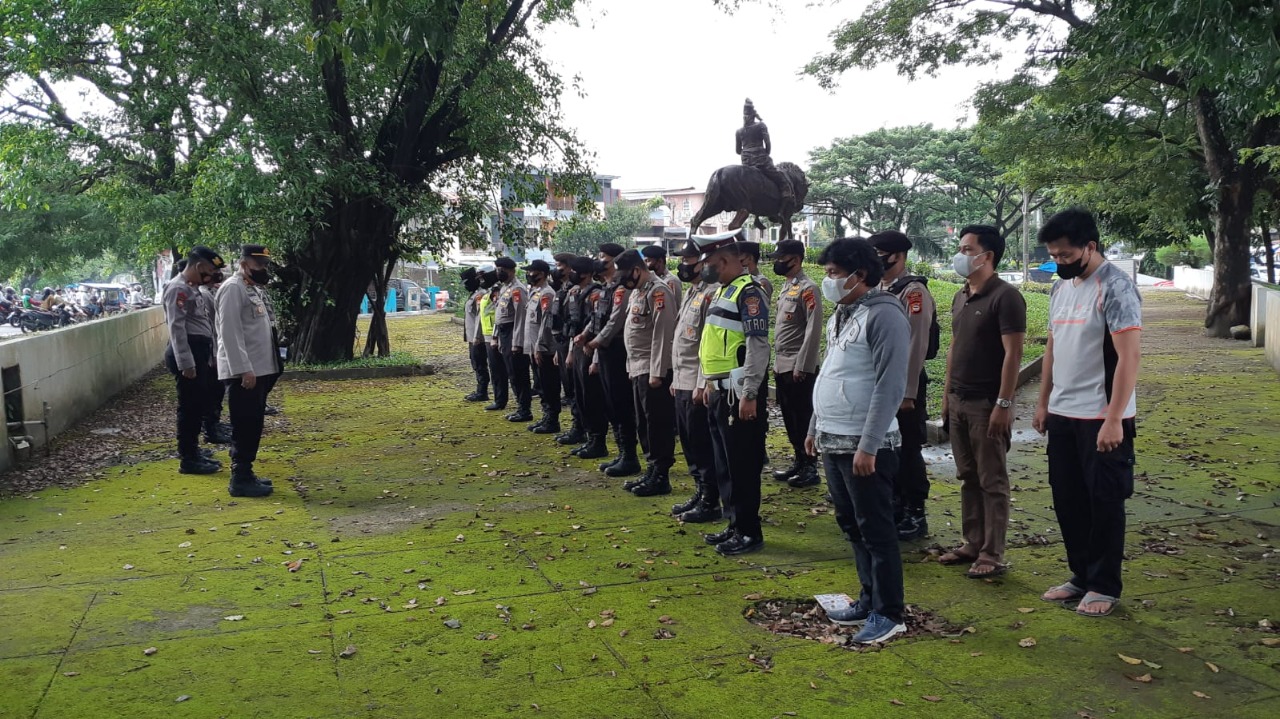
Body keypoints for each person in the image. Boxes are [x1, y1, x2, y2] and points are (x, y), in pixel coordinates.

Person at [1033, 209, 1142, 618]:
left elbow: (1129, 356)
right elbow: (1052, 348)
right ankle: (1080, 575)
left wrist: (1114, 418)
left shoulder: (1115, 286)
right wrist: (1043, 402)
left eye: (1065, 255)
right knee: (1069, 500)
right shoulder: (1060, 290)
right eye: (1053, 256)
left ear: (1090, 246)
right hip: (1063, 413)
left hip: (1101, 415)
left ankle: (1104, 585)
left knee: (1104, 502)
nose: (1059, 262)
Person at [806, 236, 911, 644]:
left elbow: (890, 384)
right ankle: (868, 599)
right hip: (834, 439)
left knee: (876, 529)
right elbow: (831, 372)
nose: (828, 280)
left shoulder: (885, 315)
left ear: (859, 275)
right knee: (850, 524)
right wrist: (814, 426)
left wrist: (869, 444)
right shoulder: (844, 313)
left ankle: (889, 612)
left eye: (833, 273)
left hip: (867, 446)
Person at [939, 225, 1026, 578]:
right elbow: (954, 348)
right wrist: (946, 395)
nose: (960, 255)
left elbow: (1014, 354)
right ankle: (972, 542)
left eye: (967, 249)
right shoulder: (961, 295)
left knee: (992, 480)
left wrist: (1004, 404)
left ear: (987, 256)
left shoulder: (1006, 297)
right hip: (958, 399)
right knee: (968, 476)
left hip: (986, 403)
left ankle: (992, 553)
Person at [695, 231, 771, 556]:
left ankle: (749, 531)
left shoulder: (749, 293)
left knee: (742, 464)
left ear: (724, 260)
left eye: (708, 263)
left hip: (739, 393)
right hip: (719, 390)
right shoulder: (721, 291)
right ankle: (734, 523)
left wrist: (750, 393)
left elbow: (758, 345)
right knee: (724, 463)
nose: (704, 269)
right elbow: (711, 343)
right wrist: (706, 382)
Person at [871, 230, 938, 540]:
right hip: (881, 382)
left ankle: (915, 511)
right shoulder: (879, 288)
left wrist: (907, 392)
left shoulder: (913, 292)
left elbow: (916, 344)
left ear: (897, 256)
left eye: (878, 254)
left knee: (908, 450)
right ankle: (895, 504)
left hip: (904, 386)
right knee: (888, 448)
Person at [215, 245, 278, 498]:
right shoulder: (233, 288)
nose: (263, 269)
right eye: (258, 264)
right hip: (244, 373)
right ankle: (239, 478)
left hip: (257, 370)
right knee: (244, 424)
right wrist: (243, 370)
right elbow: (229, 333)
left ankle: (246, 472)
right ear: (244, 263)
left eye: (264, 265)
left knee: (253, 423)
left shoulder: (250, 288)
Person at [613, 250, 678, 496]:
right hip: (639, 368)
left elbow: (663, 333)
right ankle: (651, 468)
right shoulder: (638, 291)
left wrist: (657, 372)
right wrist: (631, 367)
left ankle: (661, 475)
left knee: (657, 424)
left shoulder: (658, 291)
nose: (622, 280)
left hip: (653, 370)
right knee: (644, 423)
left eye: (624, 274)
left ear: (637, 270)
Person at [669, 241, 721, 522]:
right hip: (682, 379)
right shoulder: (693, 292)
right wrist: (676, 377)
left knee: (701, 445)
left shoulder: (711, 294)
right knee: (689, 442)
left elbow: (707, 344)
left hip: (696, 384)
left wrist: (702, 383)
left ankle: (711, 500)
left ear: (702, 263)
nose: (684, 265)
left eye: (689, 260)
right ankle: (700, 492)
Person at [164, 248, 227, 475]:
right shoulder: (178, 288)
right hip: (188, 352)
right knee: (189, 407)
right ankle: (188, 458)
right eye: (209, 270)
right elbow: (176, 328)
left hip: (199, 350)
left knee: (198, 403)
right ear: (199, 266)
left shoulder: (191, 288)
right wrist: (186, 363)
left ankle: (194, 449)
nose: (211, 275)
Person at [769, 239, 823, 488]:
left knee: (803, 418)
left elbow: (813, 329)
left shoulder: (808, 288)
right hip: (783, 364)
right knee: (790, 417)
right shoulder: (787, 286)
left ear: (797, 259)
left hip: (798, 366)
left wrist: (804, 365)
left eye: (782, 259)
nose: (778, 263)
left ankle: (810, 466)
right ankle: (799, 460)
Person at [586, 243, 641, 477]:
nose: (600, 262)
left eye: (605, 259)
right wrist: (589, 338)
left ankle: (630, 456)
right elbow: (597, 319)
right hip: (605, 350)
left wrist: (596, 341)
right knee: (611, 405)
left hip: (618, 350)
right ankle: (621, 452)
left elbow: (615, 321)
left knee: (621, 404)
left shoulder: (622, 288)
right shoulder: (606, 288)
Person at [566, 257, 609, 459]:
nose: (571, 274)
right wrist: (570, 351)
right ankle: (589, 437)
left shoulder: (596, 294)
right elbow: (573, 326)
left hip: (590, 350)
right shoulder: (575, 292)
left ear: (586, 274)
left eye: (575, 271)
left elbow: (599, 325)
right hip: (578, 348)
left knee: (593, 398)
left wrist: (596, 358)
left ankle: (598, 441)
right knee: (581, 396)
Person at [523, 259, 561, 434]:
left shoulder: (547, 293)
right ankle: (546, 416)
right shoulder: (535, 292)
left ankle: (552, 420)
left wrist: (539, 346)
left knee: (549, 384)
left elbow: (546, 322)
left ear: (543, 274)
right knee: (542, 385)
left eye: (532, 272)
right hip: (535, 346)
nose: (529, 275)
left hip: (545, 348)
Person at [551, 253, 584, 445]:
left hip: (572, 344)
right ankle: (576, 426)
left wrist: (570, 350)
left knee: (575, 389)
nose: (557, 269)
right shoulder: (563, 289)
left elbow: (575, 324)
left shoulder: (575, 291)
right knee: (569, 388)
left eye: (560, 266)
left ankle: (579, 428)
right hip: (562, 343)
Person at [736, 98, 794, 204]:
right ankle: (785, 190)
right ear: (753, 115)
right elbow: (767, 142)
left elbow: (738, 151)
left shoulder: (739, 131)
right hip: (760, 158)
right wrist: (766, 154)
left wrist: (746, 151)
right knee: (777, 174)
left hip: (746, 161)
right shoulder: (761, 125)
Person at [200, 270, 233, 445]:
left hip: (213, 346)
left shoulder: (209, 292)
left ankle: (215, 424)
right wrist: (214, 354)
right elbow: (212, 325)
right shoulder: (204, 294)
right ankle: (210, 428)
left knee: (217, 390)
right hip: (210, 348)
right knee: (212, 391)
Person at [461, 267, 490, 402]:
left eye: (467, 282)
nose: (466, 286)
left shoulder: (480, 294)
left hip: (478, 337)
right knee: (475, 362)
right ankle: (480, 390)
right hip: (472, 336)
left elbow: (479, 317)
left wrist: (477, 336)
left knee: (480, 364)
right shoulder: (474, 294)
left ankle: (482, 392)